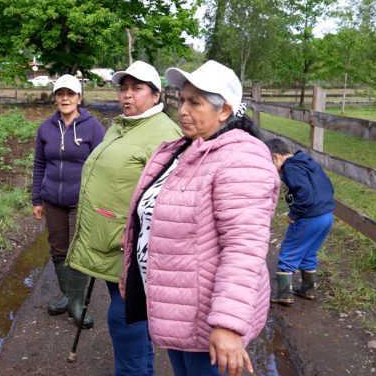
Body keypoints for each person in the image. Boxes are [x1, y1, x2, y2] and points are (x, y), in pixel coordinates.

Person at [119, 60, 280, 376]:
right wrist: (133, 276)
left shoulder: (240, 161)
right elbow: (147, 221)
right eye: (182, 100)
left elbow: (244, 250)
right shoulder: (181, 150)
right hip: (176, 306)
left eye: (195, 102)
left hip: (207, 317)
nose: (182, 110)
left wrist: (228, 324)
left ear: (225, 111)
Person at [66, 61, 182, 375]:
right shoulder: (119, 125)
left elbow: (170, 199)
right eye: (123, 88)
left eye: (137, 88)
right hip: (109, 244)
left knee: (127, 321)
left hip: (131, 250)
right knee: (124, 320)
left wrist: (135, 238)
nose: (127, 96)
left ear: (156, 95)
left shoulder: (165, 135)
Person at [31, 74, 106, 327]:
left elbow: (102, 165)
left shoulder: (93, 127)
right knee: (58, 247)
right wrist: (37, 199)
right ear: (55, 97)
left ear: (79, 98)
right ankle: (67, 295)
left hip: (81, 200)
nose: (65, 98)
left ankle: (77, 303)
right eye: (60, 94)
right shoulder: (46, 128)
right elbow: (40, 164)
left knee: (78, 249)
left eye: (70, 94)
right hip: (52, 198)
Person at [266, 138, 335, 305]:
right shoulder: (307, 163)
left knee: (289, 252)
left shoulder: (291, 168)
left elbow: (304, 194)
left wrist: (294, 214)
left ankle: (284, 293)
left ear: (276, 157)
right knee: (309, 252)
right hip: (326, 216)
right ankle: (309, 288)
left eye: (269, 163)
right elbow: (329, 187)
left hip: (308, 218)